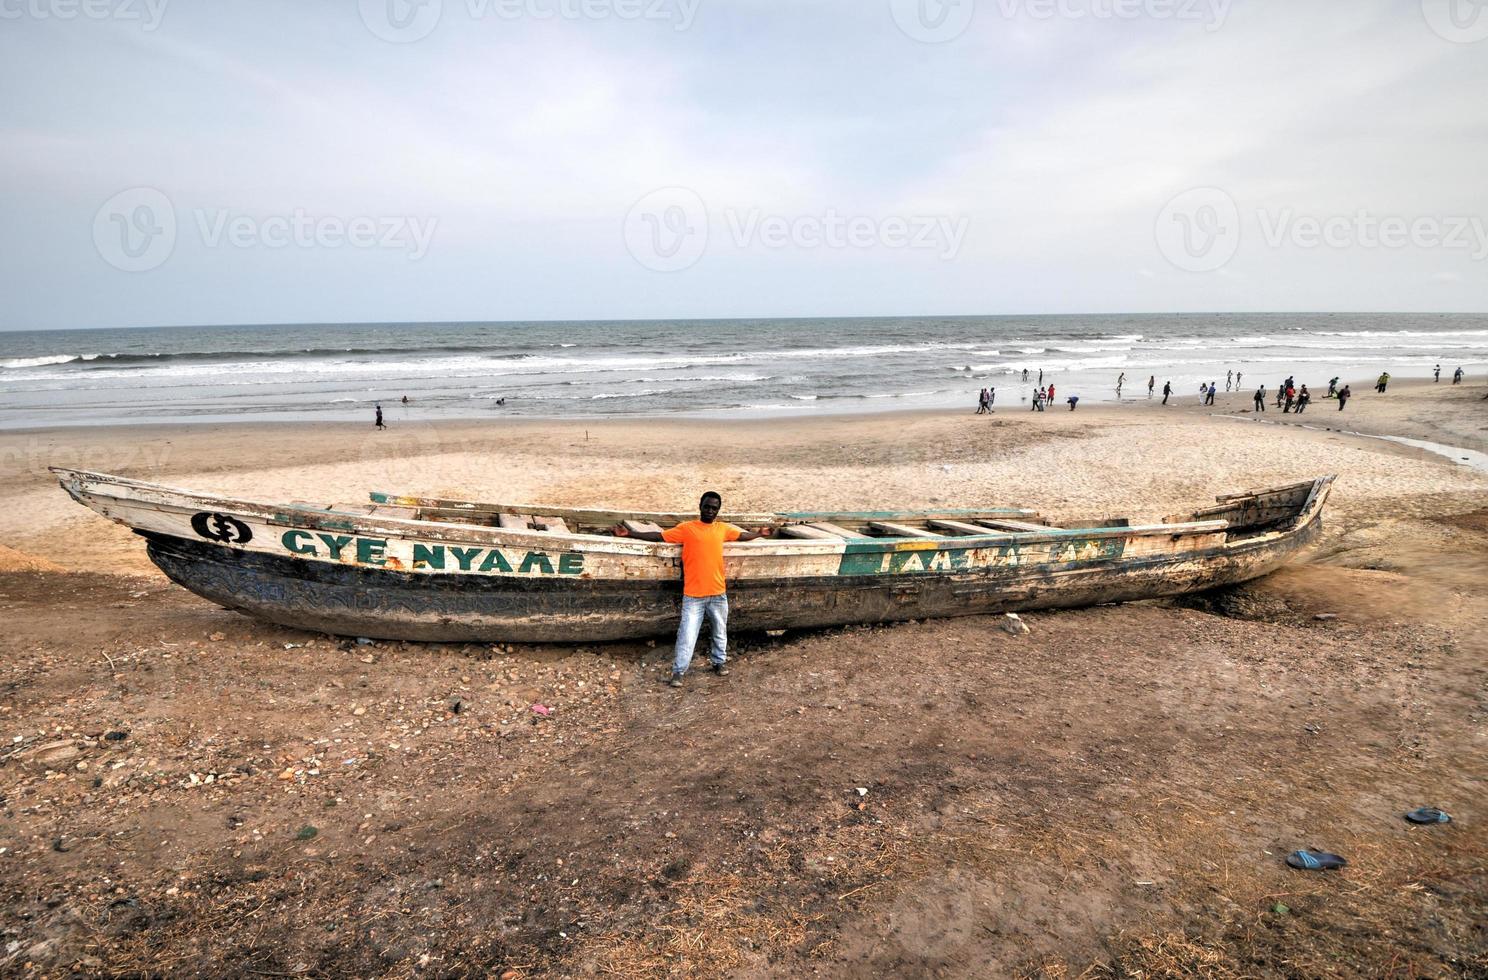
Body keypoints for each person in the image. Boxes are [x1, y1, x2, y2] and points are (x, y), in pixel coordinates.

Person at [613, 492, 772, 688]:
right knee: (687, 635)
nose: (710, 511)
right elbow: (659, 536)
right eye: (707, 506)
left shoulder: (722, 529)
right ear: (700, 506)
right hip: (693, 596)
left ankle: (719, 663)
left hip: (718, 594)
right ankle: (679, 672)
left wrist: (759, 533)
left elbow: (742, 536)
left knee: (720, 632)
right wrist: (630, 534)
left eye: (714, 508)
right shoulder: (687, 529)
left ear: (718, 511)